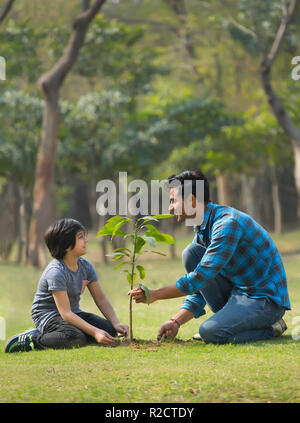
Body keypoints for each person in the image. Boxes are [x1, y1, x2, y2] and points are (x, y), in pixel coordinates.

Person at [129, 170, 291, 344]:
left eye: (173, 201)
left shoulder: (227, 224)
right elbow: (201, 288)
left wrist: (155, 294)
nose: (170, 208)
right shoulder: (203, 229)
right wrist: (175, 321)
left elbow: (200, 278)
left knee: (210, 333)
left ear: (191, 200)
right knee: (191, 253)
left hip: (263, 300)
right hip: (239, 294)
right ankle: (228, 327)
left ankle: (271, 327)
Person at [5, 218, 128, 353]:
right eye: (81, 237)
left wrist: (115, 323)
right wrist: (94, 332)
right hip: (48, 315)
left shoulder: (85, 266)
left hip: (73, 313)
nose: (86, 240)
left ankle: (69, 333)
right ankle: (33, 339)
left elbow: (101, 299)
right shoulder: (56, 272)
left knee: (109, 330)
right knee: (75, 338)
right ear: (67, 245)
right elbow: (65, 313)